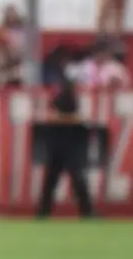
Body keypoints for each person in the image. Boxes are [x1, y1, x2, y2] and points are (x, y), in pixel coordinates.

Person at [37, 75, 94, 219]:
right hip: (67, 147)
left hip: (59, 147)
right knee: (75, 181)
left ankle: (44, 212)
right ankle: (86, 212)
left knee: (53, 182)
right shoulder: (67, 101)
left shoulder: (61, 101)